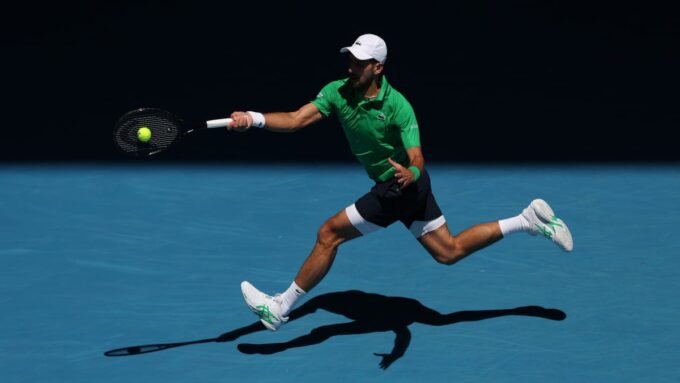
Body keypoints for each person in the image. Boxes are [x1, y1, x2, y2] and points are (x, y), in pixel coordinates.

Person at [226, 33, 573, 331]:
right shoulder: (337, 92)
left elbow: (417, 157)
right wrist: (252, 118)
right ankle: (527, 220)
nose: (351, 67)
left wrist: (412, 173)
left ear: (378, 68)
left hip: (399, 187)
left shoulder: (398, 107)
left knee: (329, 234)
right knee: (448, 251)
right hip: (406, 189)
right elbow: (296, 119)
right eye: (350, 59)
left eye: (360, 62)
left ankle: (280, 308)